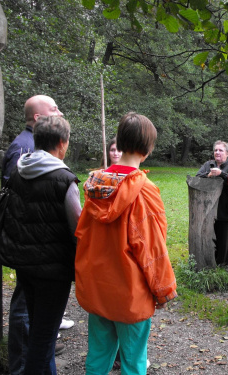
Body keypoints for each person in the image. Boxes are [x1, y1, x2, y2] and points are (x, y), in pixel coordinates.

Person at [75, 112, 177, 375]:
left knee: (97, 357)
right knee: (133, 362)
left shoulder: (94, 185)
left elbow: (82, 237)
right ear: (149, 148)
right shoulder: (144, 190)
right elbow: (152, 248)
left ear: (118, 143)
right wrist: (163, 290)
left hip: (98, 287)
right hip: (131, 293)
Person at [0, 116, 81, 374]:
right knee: (43, 340)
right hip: (52, 272)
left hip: (24, 264)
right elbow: (78, 228)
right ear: (62, 143)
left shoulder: (20, 171)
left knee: (36, 328)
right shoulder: (64, 179)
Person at [196, 140, 228, 267]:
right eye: (215, 150)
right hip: (208, 210)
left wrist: (221, 174)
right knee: (208, 240)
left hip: (226, 209)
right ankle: (208, 268)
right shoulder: (208, 164)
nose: (217, 152)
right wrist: (208, 175)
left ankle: (222, 271)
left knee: (224, 243)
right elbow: (196, 178)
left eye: (221, 150)